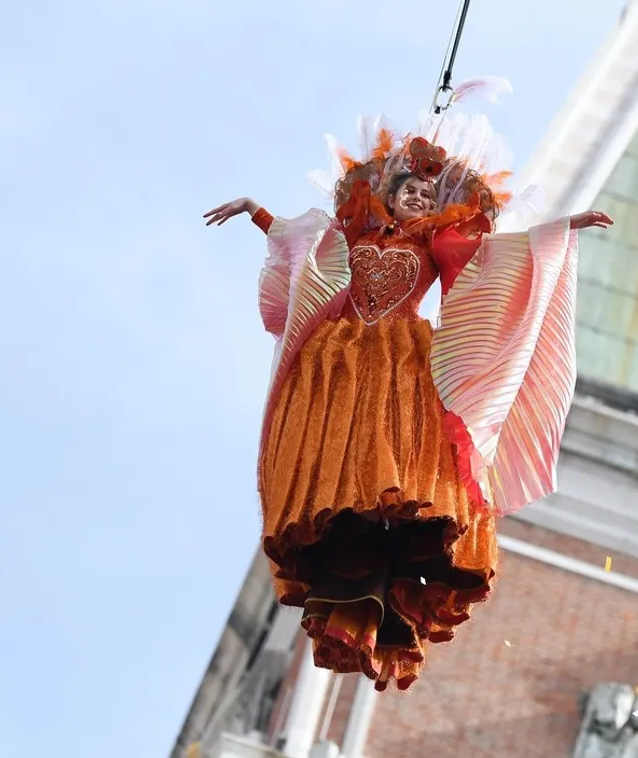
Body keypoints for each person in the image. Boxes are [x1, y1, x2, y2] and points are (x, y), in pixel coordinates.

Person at [205, 123, 612, 691]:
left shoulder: (440, 246)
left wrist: (560, 229)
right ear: (387, 195)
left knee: (391, 464)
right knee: (341, 461)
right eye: (409, 190)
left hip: (400, 366)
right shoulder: (351, 241)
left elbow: (495, 261)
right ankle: (346, 549)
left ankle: (388, 562)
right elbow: (311, 257)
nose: (418, 198)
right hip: (340, 364)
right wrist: (258, 214)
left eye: (428, 195)